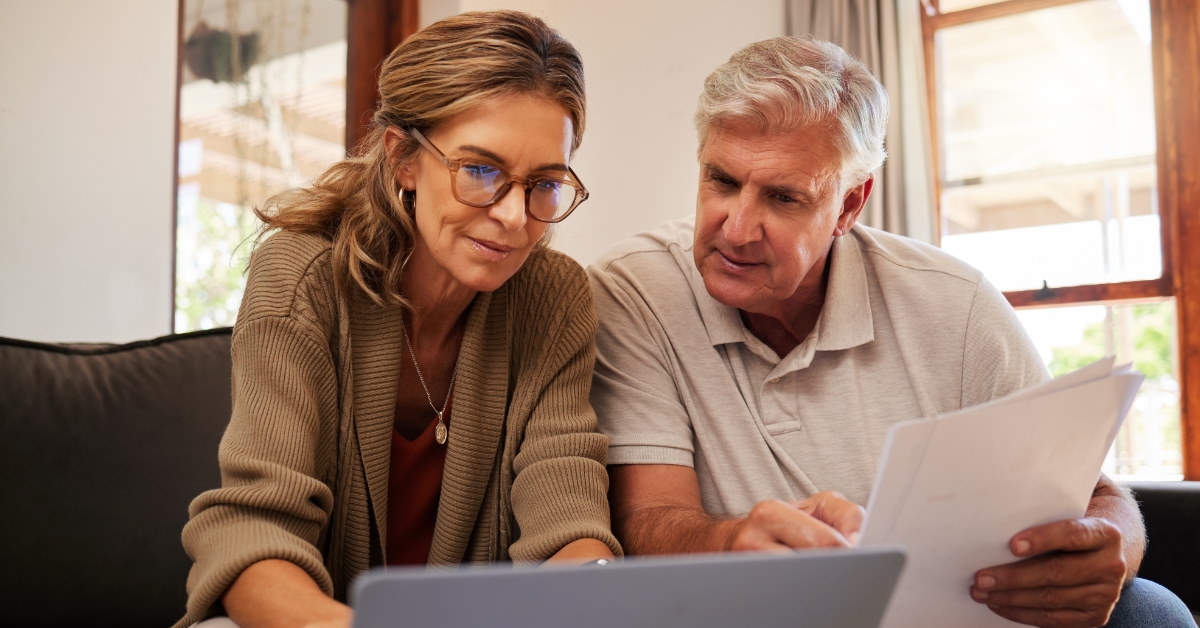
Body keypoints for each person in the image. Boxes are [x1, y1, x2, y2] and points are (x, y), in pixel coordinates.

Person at [589, 35, 1196, 628]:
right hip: (747, 612)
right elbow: (649, 517)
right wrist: (729, 546)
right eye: (721, 181)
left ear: (849, 207)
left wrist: (1110, 547)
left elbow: (1093, 495)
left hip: (943, 613)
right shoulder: (634, 289)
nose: (738, 228)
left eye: (782, 197)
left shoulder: (955, 304)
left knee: (1151, 610)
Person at [176, 10, 620, 628]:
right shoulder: (302, 276)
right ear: (403, 158)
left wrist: (590, 590)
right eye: (482, 171)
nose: (515, 217)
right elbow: (254, 532)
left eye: (544, 183)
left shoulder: (555, 298)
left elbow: (568, 518)